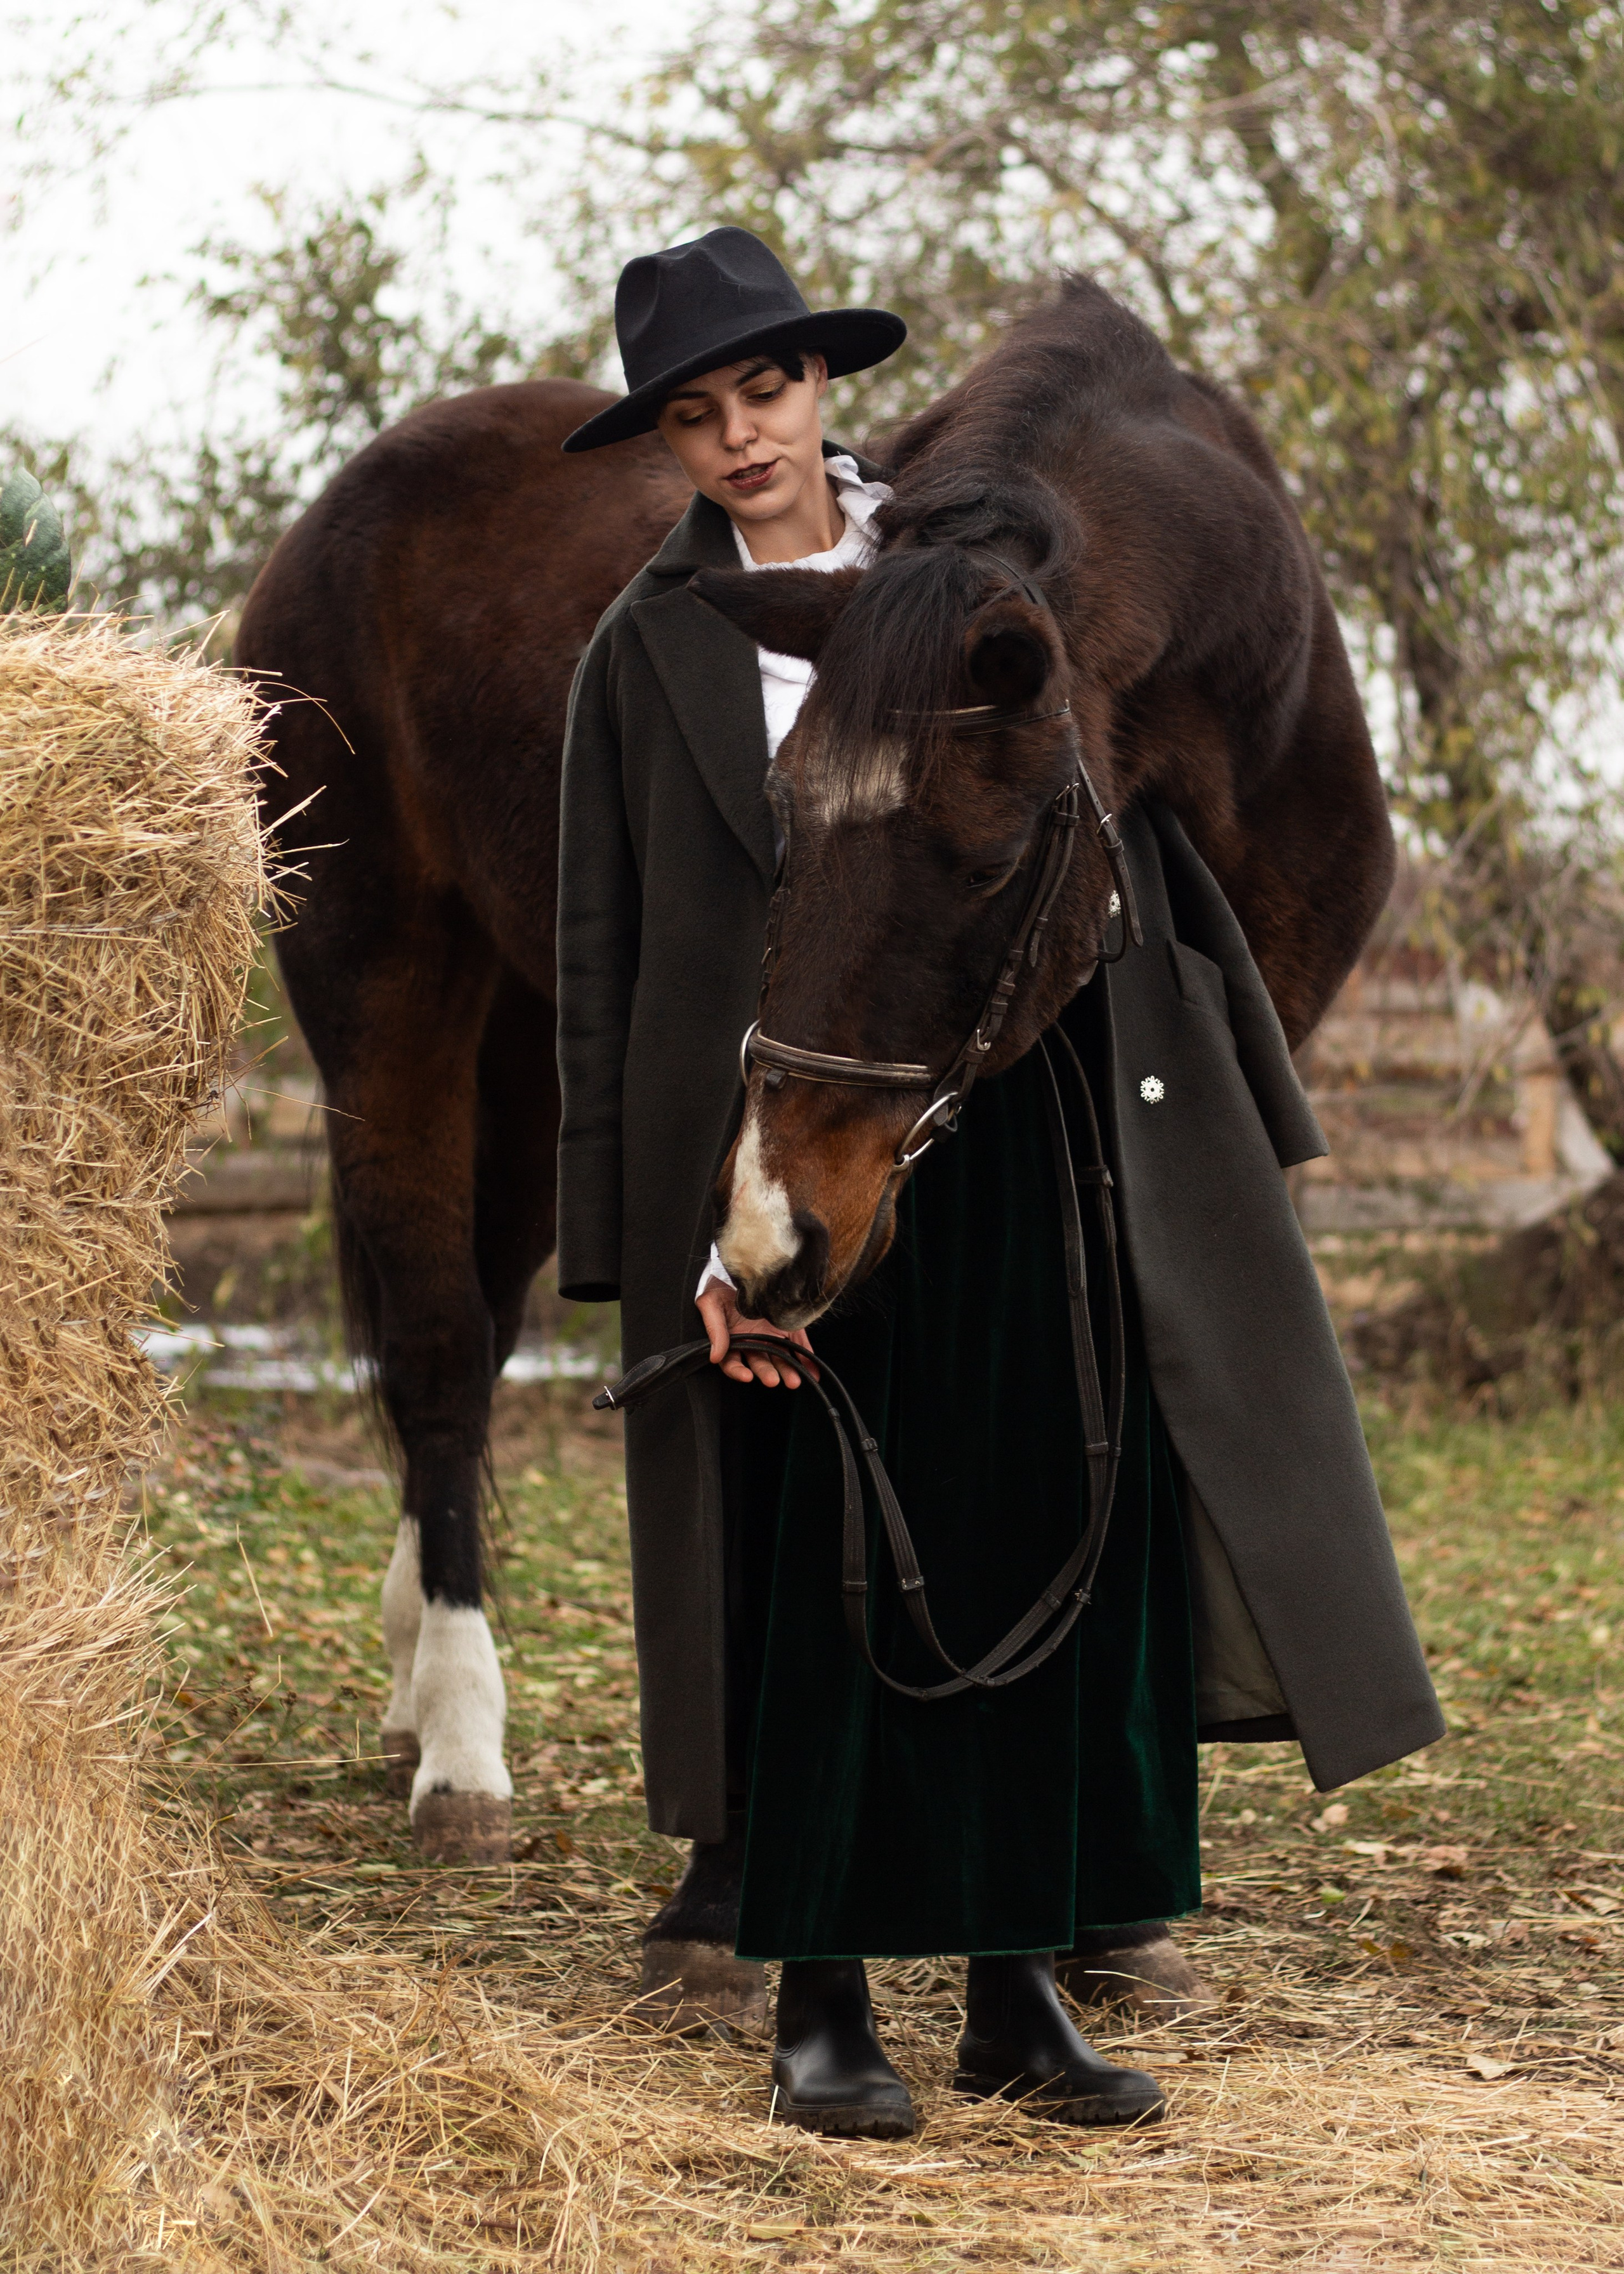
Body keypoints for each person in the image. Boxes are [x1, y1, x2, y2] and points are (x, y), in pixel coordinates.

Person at [556, 228, 1444, 2138]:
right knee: (820, 1565)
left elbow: (1121, 801)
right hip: (789, 1144)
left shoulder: (970, 563)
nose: (742, 438)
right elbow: (604, 956)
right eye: (697, 416)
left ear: (823, 387)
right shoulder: (650, 645)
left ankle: (1020, 1986)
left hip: (1018, 1122)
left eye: (767, 391)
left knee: (1042, 1524)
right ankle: (817, 1994)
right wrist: (660, 1235)